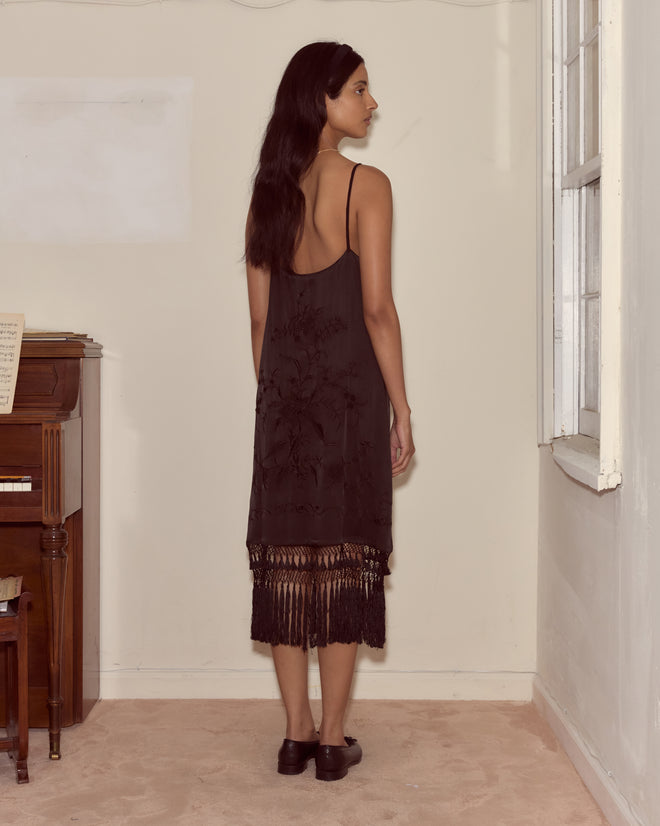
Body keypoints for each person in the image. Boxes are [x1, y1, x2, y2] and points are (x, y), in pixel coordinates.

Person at [244, 41, 414, 782]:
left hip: (284, 404)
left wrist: (281, 400)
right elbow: (377, 309)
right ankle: (334, 741)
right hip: (349, 402)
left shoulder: (268, 194)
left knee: (287, 565)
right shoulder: (366, 186)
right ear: (322, 98)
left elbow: (260, 321)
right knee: (342, 562)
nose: (372, 103)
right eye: (360, 89)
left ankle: (296, 736)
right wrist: (401, 408)